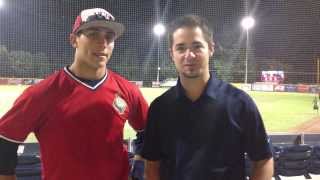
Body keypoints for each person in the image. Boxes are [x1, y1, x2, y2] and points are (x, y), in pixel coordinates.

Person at [0, 8, 148, 180]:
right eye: (93, 34)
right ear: (74, 40)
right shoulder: (41, 94)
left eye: (109, 36)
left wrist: (139, 163)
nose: (103, 43)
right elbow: (5, 143)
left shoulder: (128, 90)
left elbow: (149, 133)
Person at [141, 15, 274, 180]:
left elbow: (263, 159)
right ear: (172, 54)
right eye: (181, 48)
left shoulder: (240, 103)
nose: (189, 55)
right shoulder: (159, 108)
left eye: (197, 46)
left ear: (211, 48)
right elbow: (152, 165)